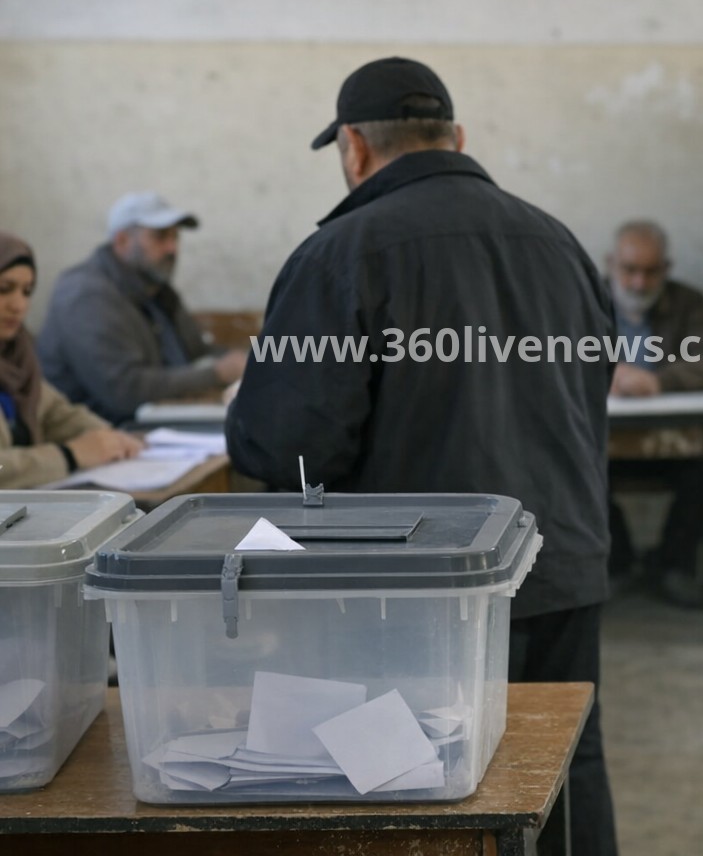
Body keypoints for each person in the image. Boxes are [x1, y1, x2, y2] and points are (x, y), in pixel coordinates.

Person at [226, 57, 619, 855]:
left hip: (415, 593)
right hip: (563, 558)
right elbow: (595, 384)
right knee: (564, 770)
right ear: (456, 137)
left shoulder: (343, 254)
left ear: (355, 149)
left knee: (421, 781)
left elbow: (287, 443)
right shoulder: (557, 240)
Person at [605, 220, 703, 605]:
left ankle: (672, 564)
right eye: (629, 270)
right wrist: (601, 378)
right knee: (563, 474)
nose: (639, 283)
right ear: (610, 264)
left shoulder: (687, 303)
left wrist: (660, 382)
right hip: (603, 444)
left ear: (666, 268)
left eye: (650, 271)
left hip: (674, 442)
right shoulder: (583, 299)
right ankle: (618, 563)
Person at [36, 192, 247, 424]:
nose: (172, 248)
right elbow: (123, 390)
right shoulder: (85, 294)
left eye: (175, 237)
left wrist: (248, 362)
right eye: (160, 237)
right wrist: (216, 373)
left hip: (160, 424)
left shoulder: (158, 291)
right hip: (105, 433)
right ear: (122, 241)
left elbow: (196, 353)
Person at [0, 231, 142, 489]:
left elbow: (58, 414)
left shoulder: (16, 359)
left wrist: (113, 439)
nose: (18, 305)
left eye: (26, 291)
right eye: (4, 289)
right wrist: (69, 454)